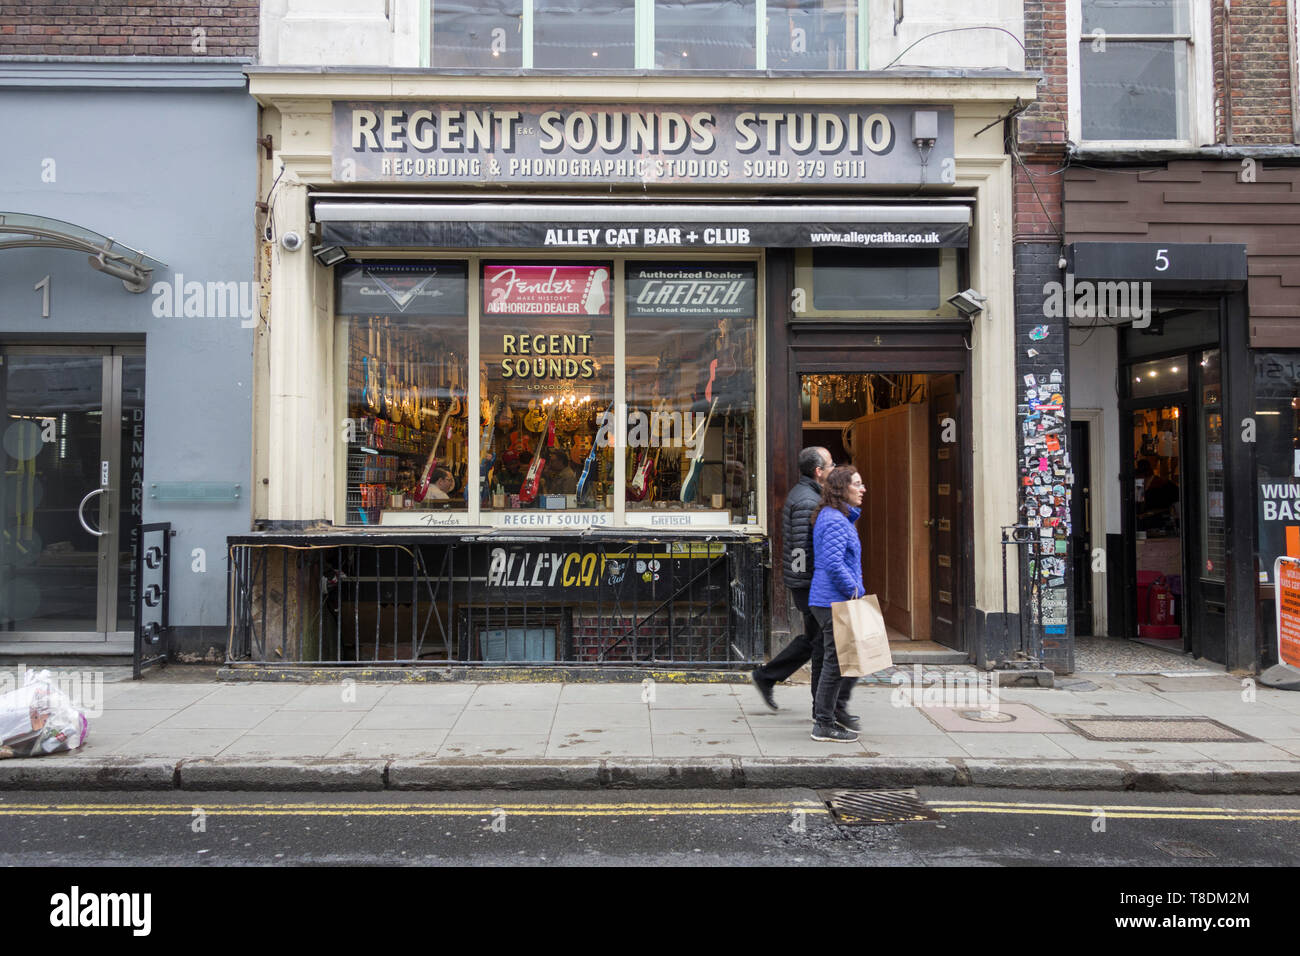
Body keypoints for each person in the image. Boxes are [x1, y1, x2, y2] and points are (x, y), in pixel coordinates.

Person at [751, 446, 832, 710]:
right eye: (831, 465)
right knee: (820, 643)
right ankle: (821, 708)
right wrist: (809, 584)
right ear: (819, 471)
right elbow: (799, 548)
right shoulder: (808, 500)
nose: (833, 469)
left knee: (813, 640)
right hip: (808, 585)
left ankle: (766, 677)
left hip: (805, 583)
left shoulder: (808, 494)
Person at [807, 465, 866, 742]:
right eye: (857, 484)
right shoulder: (834, 520)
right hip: (833, 600)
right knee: (836, 662)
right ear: (842, 489)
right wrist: (853, 589)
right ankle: (824, 723)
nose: (862, 489)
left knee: (842, 660)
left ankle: (831, 713)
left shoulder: (838, 517)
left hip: (832, 599)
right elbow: (833, 563)